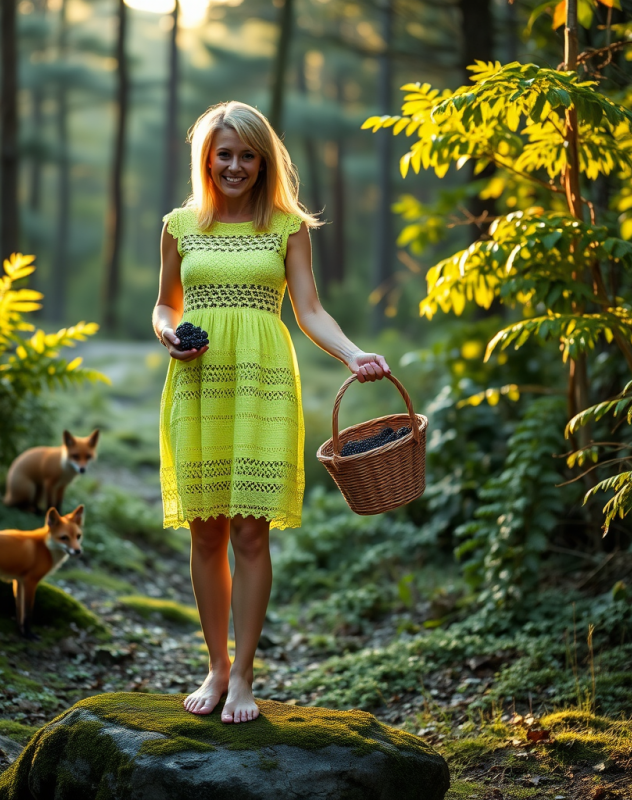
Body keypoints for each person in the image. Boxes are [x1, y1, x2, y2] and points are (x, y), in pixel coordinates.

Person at [152, 101, 391, 724]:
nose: (235, 165)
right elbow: (163, 306)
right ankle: (216, 665)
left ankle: (245, 677)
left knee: (251, 532)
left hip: (263, 387)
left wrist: (352, 353)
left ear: (264, 160)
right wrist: (168, 334)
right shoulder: (180, 225)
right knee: (207, 530)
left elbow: (309, 310)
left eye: (248, 155)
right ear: (207, 157)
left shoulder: (286, 227)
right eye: (224, 153)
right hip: (198, 384)